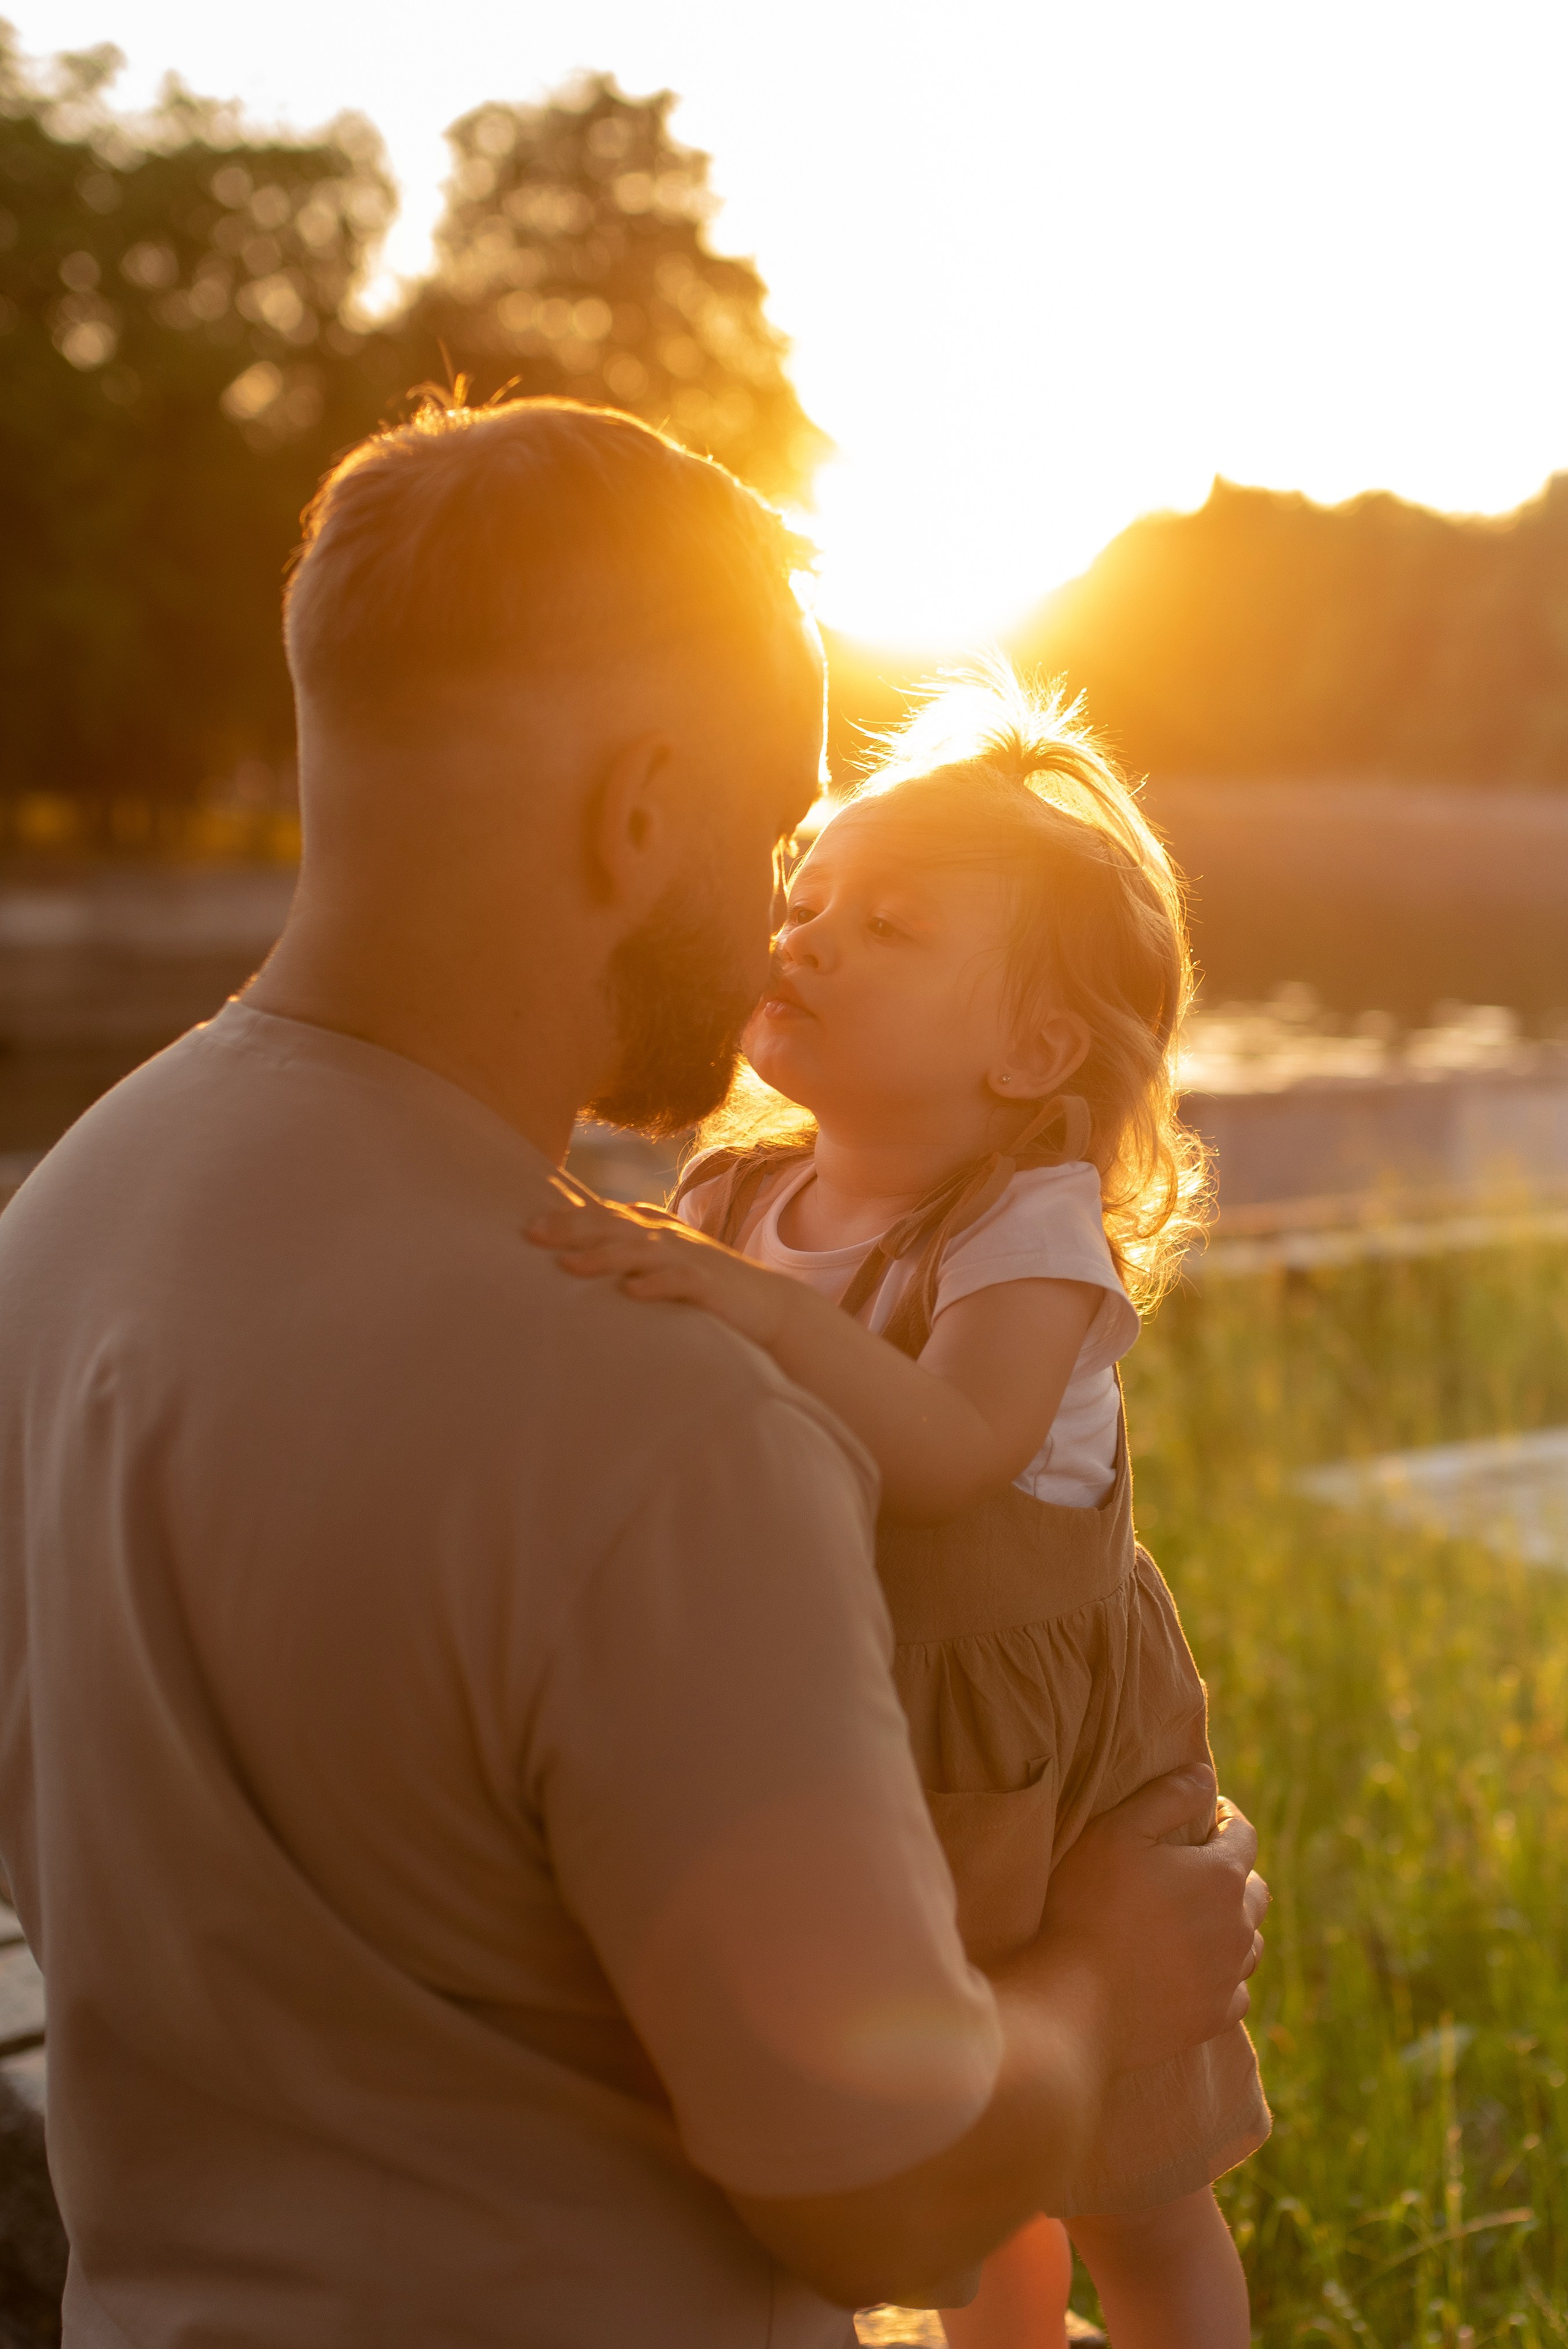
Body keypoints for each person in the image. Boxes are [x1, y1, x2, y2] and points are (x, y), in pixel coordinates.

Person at [0, 398, 1266, 2349]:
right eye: (774, 841)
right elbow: (881, 2195)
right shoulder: (676, 1425)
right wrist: (1105, 1977)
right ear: (643, 813)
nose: (780, 924)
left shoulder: (70, 1219)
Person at [532, 666, 1270, 2347]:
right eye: (805, 897)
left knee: (1134, 2188)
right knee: (973, 2171)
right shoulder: (735, 1195)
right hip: (853, 1740)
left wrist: (725, 1301)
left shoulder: (1023, 1230)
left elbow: (951, 1448)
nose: (808, 938)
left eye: (890, 926)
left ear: (1034, 1048)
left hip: (1046, 1767)